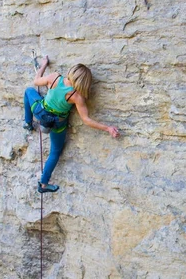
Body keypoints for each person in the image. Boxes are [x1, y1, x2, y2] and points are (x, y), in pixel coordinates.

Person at [23, 56, 120, 193]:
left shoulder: (55, 78)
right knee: (55, 152)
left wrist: (43, 65)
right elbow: (86, 120)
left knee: (28, 91)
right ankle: (43, 184)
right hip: (58, 124)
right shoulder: (76, 97)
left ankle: (28, 122)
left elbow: (36, 81)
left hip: (41, 113)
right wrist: (108, 128)